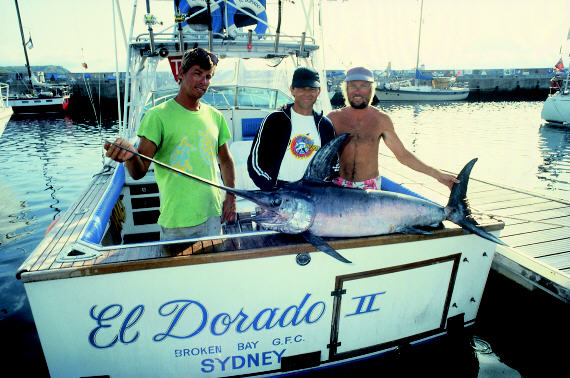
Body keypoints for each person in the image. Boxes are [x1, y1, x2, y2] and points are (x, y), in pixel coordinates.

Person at [104, 47, 236, 244]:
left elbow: (225, 160)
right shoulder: (157, 116)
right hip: (177, 222)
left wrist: (231, 198)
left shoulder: (215, 116)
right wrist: (130, 156)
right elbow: (139, 171)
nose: (204, 82)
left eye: (208, 76)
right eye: (198, 74)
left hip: (213, 215)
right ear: (181, 74)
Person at [327, 66, 459, 190]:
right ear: (346, 89)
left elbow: (403, 155)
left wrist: (438, 174)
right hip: (339, 185)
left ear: (371, 89)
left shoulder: (381, 119)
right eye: (353, 86)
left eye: (363, 86)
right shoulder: (333, 118)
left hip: (369, 186)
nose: (357, 91)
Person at [247, 67, 336, 189]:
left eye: (311, 89)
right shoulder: (274, 120)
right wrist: (271, 187)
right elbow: (254, 163)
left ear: (319, 91)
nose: (307, 93)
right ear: (292, 90)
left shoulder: (325, 125)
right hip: (280, 191)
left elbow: (334, 162)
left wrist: (325, 186)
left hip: (314, 192)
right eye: (301, 88)